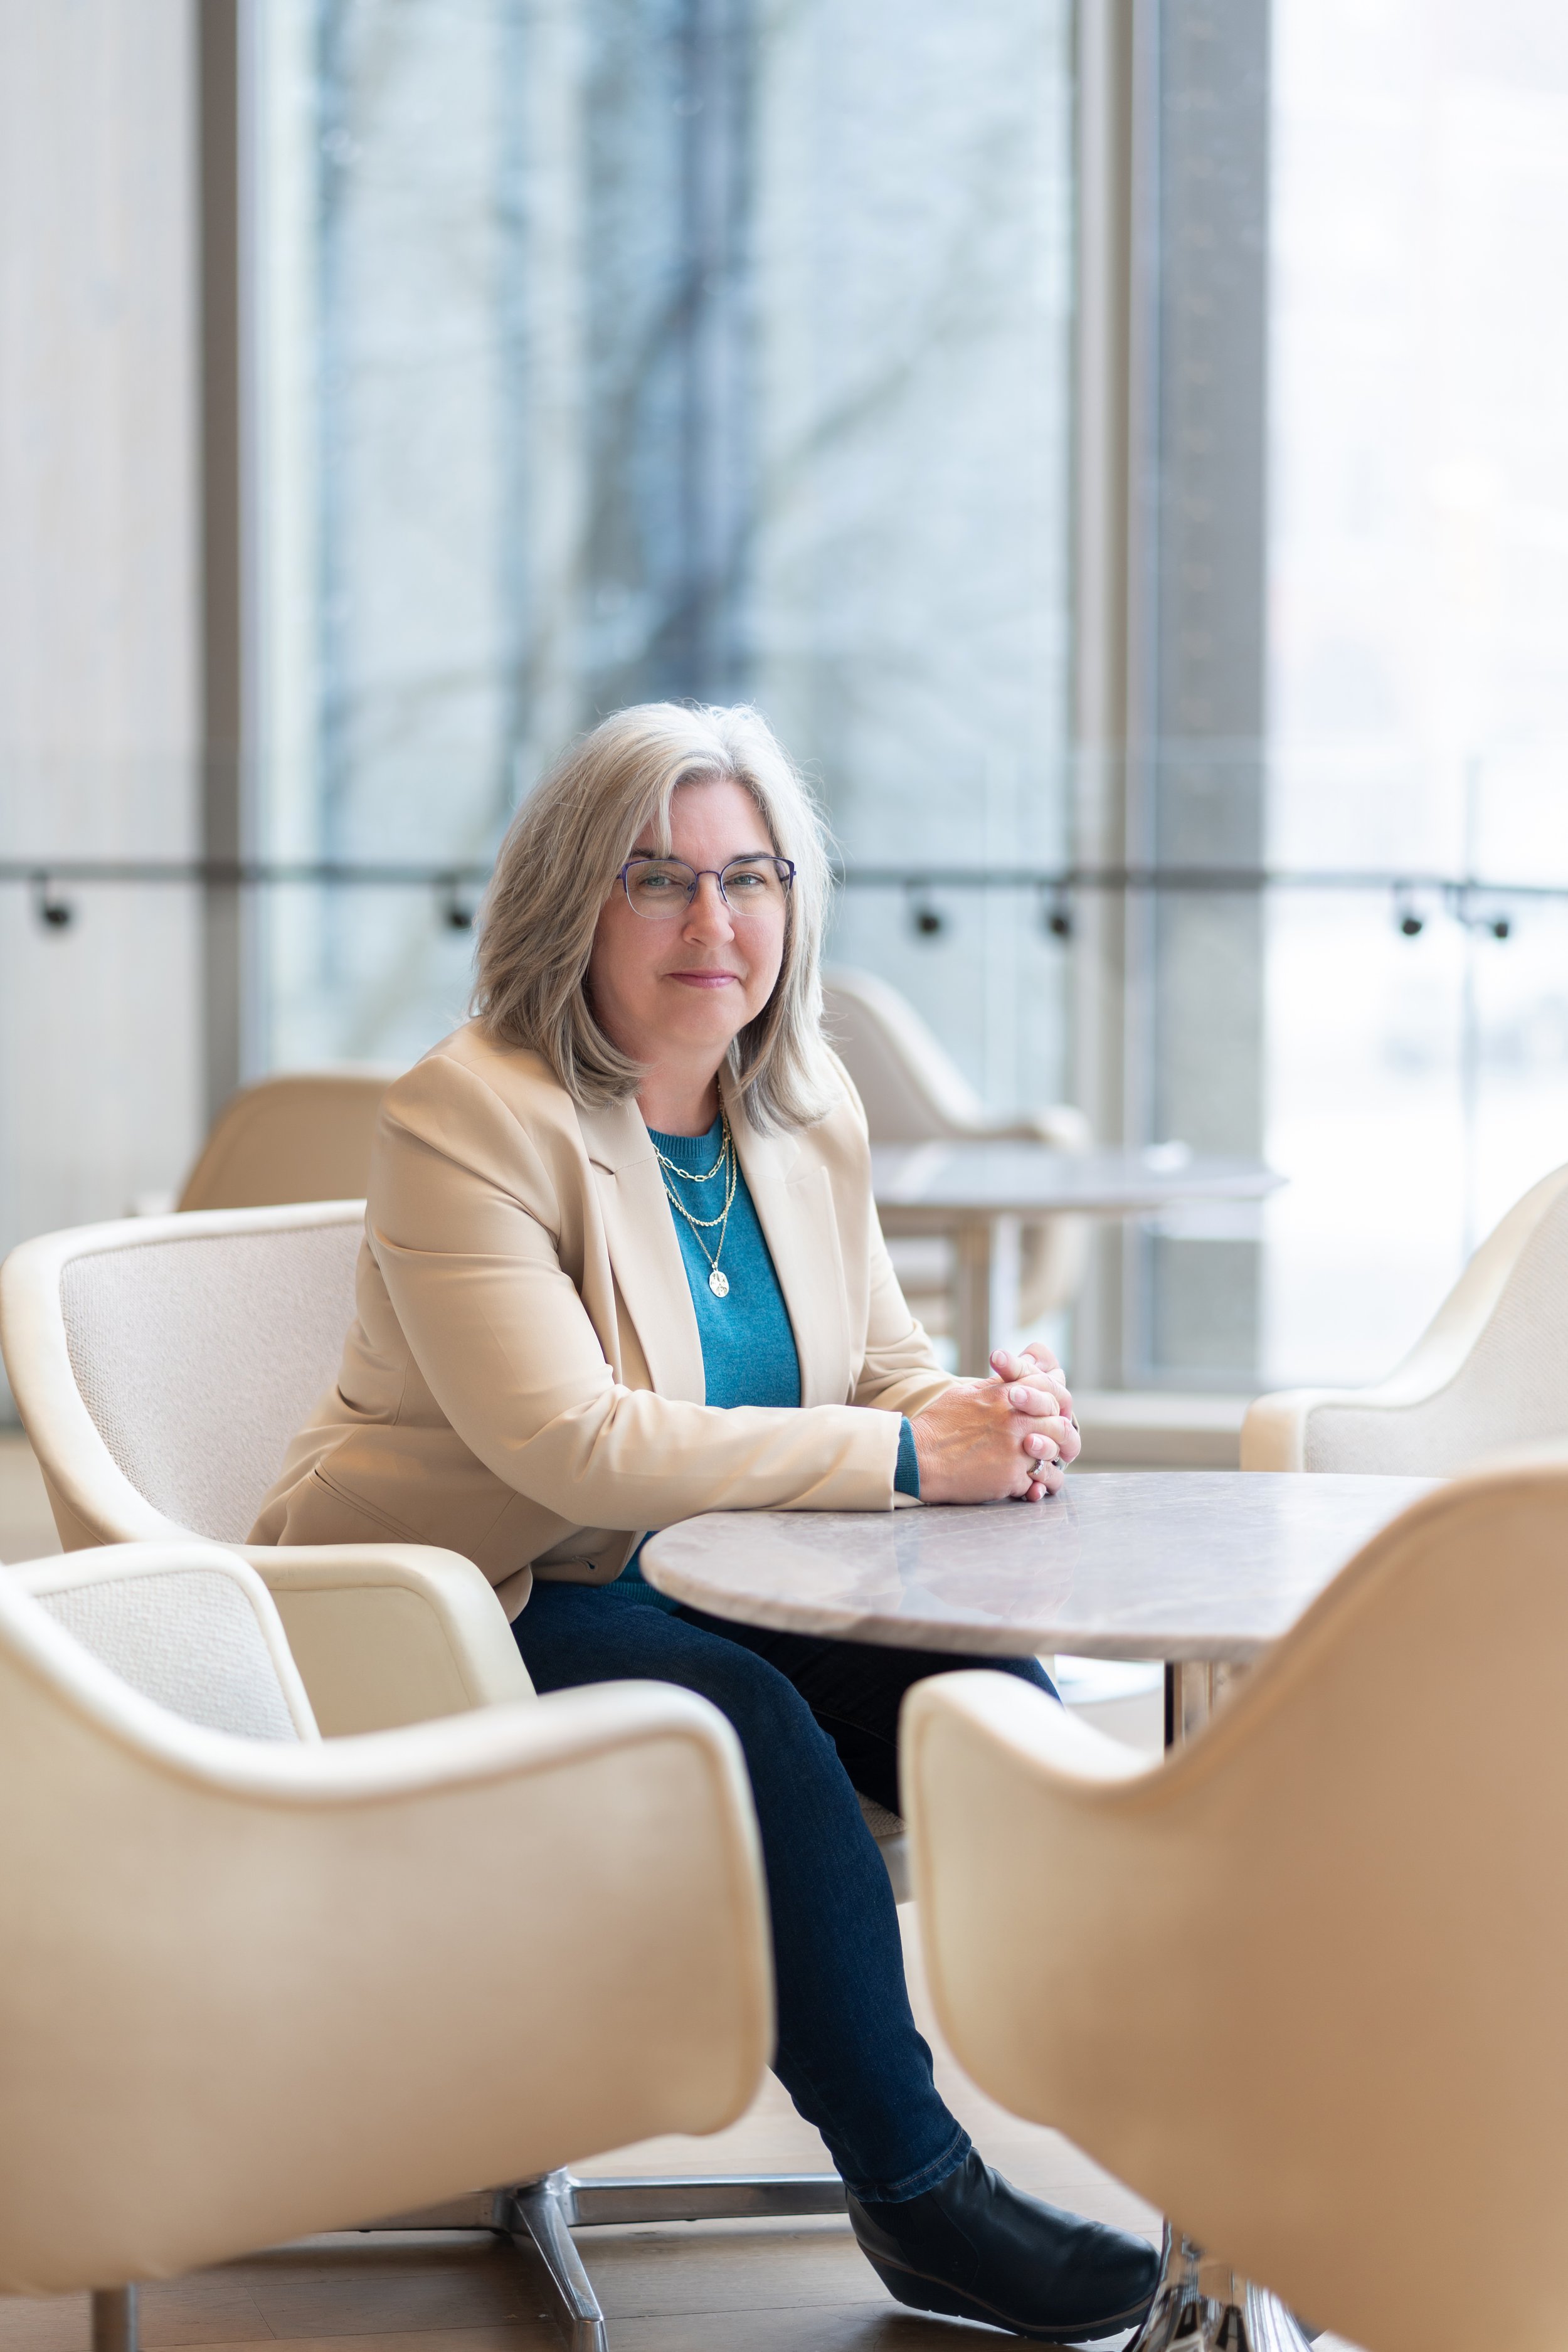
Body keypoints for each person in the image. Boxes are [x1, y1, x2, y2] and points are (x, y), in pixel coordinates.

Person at [252, 703, 1159, 2343]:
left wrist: (979, 1413)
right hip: (463, 1592)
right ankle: (921, 2196)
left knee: (968, 1693)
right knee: (735, 1713)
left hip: (719, 1569)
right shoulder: (468, 1116)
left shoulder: (801, 1109)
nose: (713, 922)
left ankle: (1160, 2087)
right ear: (566, 907)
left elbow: (881, 1365)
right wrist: (902, 1463)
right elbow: (573, 1446)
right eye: (656, 880)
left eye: (750, 878)